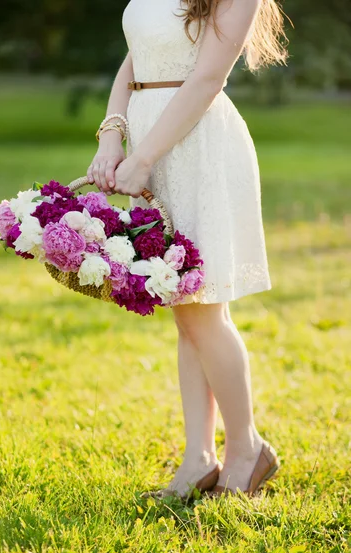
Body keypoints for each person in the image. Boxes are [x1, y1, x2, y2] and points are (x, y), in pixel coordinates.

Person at [87, 0, 288, 499]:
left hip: (197, 146)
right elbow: (134, 59)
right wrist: (113, 135)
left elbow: (207, 79)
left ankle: (246, 447)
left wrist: (145, 154)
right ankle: (198, 457)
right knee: (185, 309)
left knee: (203, 309)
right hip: (146, 138)